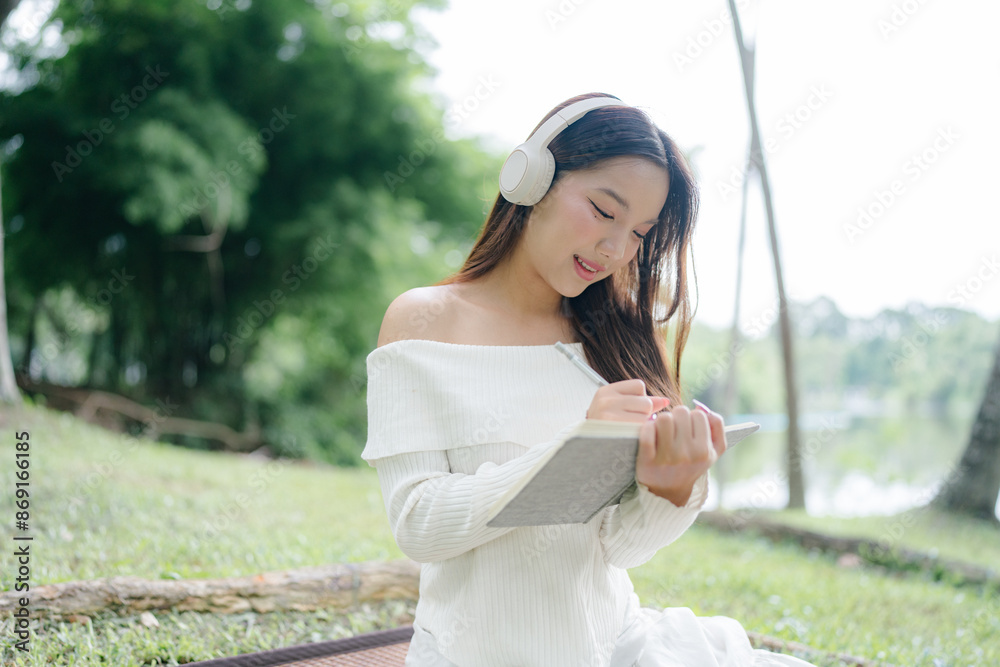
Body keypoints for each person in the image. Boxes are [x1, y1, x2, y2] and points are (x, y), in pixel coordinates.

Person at [362, 93, 815, 666]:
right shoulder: (424, 320)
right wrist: (576, 449)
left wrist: (668, 491)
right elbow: (419, 525)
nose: (616, 248)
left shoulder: (616, 338)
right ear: (531, 180)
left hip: (614, 649)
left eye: (640, 233)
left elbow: (617, 548)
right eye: (604, 211)